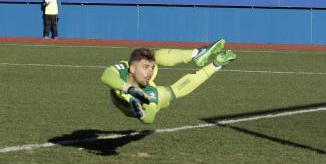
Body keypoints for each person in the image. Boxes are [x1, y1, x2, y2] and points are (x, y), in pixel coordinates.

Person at [100, 38, 236, 124]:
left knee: (168, 89)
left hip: (131, 106)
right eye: (146, 67)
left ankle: (207, 60)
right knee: (168, 87)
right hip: (122, 99)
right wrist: (130, 89)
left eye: (152, 68)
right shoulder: (124, 67)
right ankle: (204, 58)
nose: (150, 72)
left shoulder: (150, 91)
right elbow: (106, 76)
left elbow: (150, 118)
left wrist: (142, 114)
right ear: (132, 68)